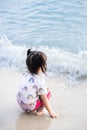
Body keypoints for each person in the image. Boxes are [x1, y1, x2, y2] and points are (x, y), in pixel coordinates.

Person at [17, 49, 58, 118]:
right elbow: (44, 98)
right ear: (41, 66)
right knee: (47, 93)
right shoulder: (39, 80)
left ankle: (30, 106)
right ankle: (39, 110)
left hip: (20, 103)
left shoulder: (26, 73)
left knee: (42, 89)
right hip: (30, 108)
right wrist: (50, 111)